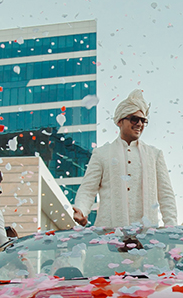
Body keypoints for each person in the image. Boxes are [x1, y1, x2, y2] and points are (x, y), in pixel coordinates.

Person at [73, 89, 177, 227]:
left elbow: (166, 195)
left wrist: (171, 227)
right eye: (134, 119)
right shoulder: (102, 154)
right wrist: (81, 209)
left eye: (143, 120)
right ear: (120, 121)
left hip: (146, 235)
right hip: (108, 234)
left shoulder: (154, 155)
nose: (139, 124)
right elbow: (88, 189)